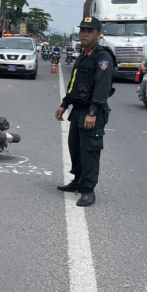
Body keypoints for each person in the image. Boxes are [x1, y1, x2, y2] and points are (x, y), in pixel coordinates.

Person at [55, 16, 114, 207]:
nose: (85, 34)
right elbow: (74, 83)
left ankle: (88, 190)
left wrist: (93, 111)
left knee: (90, 151)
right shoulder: (83, 55)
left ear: (98, 34)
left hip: (92, 111)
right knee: (76, 148)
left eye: (89, 31)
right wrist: (64, 104)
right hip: (79, 110)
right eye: (82, 30)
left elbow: (102, 87)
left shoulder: (102, 56)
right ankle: (78, 181)